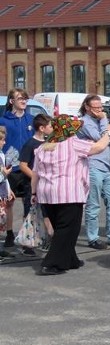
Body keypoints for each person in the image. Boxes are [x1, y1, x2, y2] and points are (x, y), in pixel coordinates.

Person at [32, 115, 110, 275]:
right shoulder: (73, 143)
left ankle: (70, 259)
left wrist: (33, 192)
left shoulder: (43, 147)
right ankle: (51, 263)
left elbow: (35, 173)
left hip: (47, 193)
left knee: (60, 226)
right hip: (68, 192)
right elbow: (98, 147)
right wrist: (109, 133)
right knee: (67, 228)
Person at [78, 95, 110, 249]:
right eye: (96, 108)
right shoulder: (84, 122)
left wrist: (107, 135)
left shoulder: (99, 121)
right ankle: (93, 238)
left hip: (106, 167)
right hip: (93, 166)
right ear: (87, 107)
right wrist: (106, 123)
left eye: (101, 108)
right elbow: (102, 138)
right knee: (93, 205)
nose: (100, 111)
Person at [0, 88, 35, 249]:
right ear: (11, 101)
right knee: (8, 203)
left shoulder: (32, 120)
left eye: (25, 98)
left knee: (29, 203)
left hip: (28, 167)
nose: (23, 100)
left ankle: (26, 237)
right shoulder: (3, 121)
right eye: (20, 98)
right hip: (10, 169)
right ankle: (9, 234)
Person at [18, 114, 55, 253]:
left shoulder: (48, 143)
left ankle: (49, 238)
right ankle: (27, 243)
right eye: (50, 126)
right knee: (30, 212)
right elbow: (23, 165)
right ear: (41, 128)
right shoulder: (30, 144)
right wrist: (35, 177)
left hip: (45, 186)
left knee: (47, 213)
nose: (53, 129)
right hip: (31, 186)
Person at [0, 127, 15, 259]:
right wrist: (3, 173)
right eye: (2, 140)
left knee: (1, 222)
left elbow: (4, 177)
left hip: (2, 193)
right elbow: (2, 175)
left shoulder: (2, 154)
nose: (4, 143)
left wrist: (9, 190)